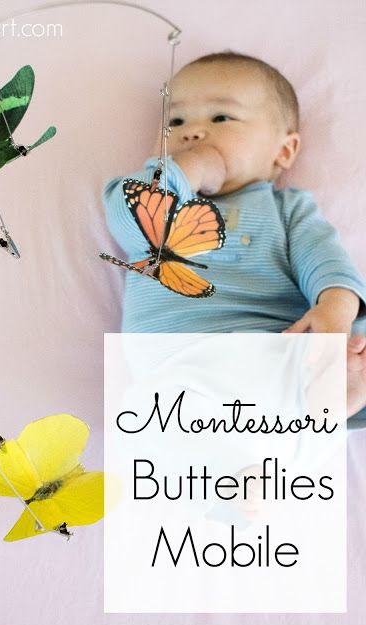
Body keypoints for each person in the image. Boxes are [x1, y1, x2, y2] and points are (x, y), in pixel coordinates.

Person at [103, 51, 366, 417]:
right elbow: (131, 216)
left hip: (272, 347)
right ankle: (320, 408)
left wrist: (335, 310)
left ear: (283, 151)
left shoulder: (287, 210)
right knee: (159, 418)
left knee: (339, 347)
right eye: (175, 121)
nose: (192, 132)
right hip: (175, 366)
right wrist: (192, 167)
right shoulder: (150, 197)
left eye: (221, 117)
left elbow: (326, 262)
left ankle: (329, 395)